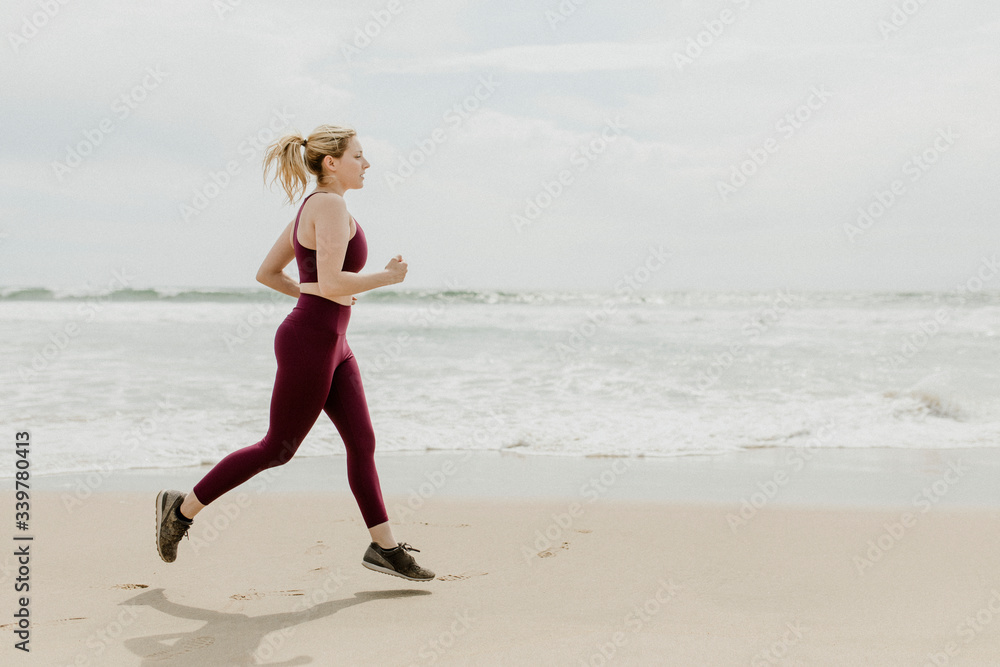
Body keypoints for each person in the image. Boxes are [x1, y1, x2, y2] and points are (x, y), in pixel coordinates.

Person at [155, 124, 434, 582]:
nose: (367, 164)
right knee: (276, 449)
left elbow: (270, 273)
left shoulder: (315, 206)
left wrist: (321, 297)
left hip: (332, 342)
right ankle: (180, 511)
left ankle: (384, 549)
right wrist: (383, 277)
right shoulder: (327, 204)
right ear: (332, 162)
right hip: (311, 341)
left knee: (362, 443)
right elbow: (327, 281)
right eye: (359, 156)